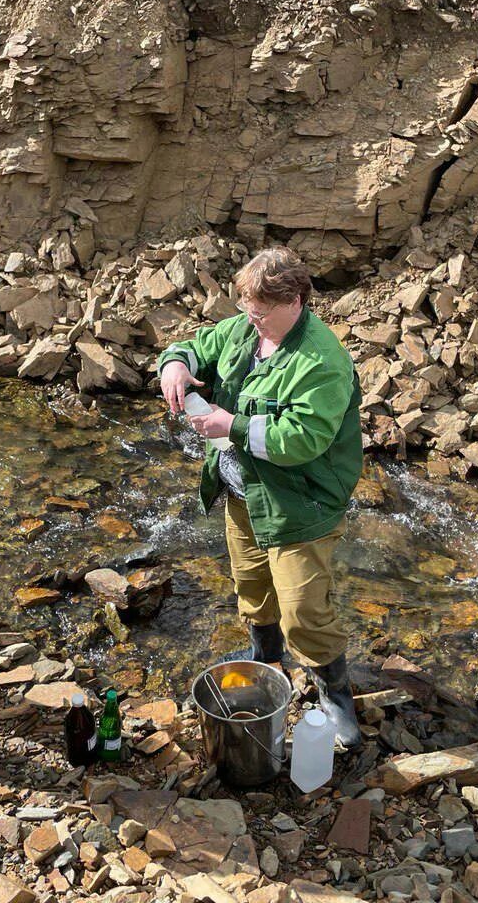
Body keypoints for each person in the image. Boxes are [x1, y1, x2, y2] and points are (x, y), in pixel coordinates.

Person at [158, 247, 364, 746]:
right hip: (243, 492)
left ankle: (335, 697)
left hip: (300, 504)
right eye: (247, 309)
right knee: (251, 587)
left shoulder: (321, 360)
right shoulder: (247, 330)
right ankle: (267, 663)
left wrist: (232, 424)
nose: (252, 320)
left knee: (303, 610)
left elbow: (303, 439)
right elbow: (194, 345)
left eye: (262, 312)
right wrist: (175, 367)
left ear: (295, 300)